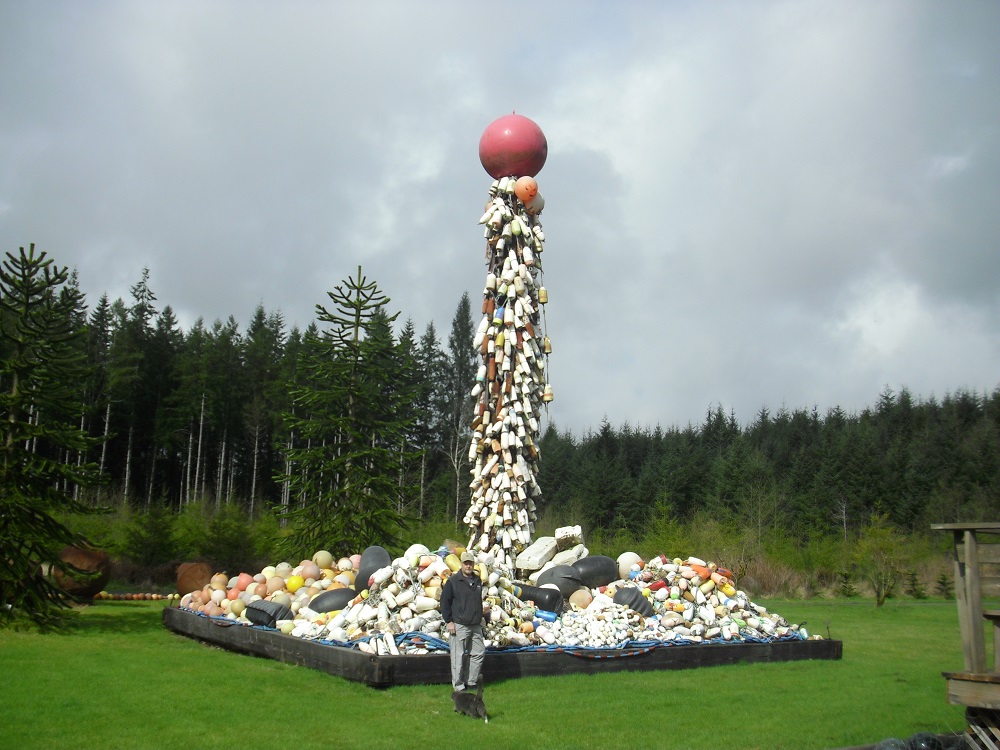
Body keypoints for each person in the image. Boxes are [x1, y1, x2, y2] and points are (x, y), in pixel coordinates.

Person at [440, 550, 488, 692]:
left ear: (473, 564)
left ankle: (471, 681)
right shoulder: (453, 582)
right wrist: (449, 621)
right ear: (461, 564)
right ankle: (459, 686)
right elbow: (444, 602)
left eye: (470, 563)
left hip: (475, 624)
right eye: (465, 563)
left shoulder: (477, 580)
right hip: (459, 624)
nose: (468, 566)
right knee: (458, 657)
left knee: (479, 653)